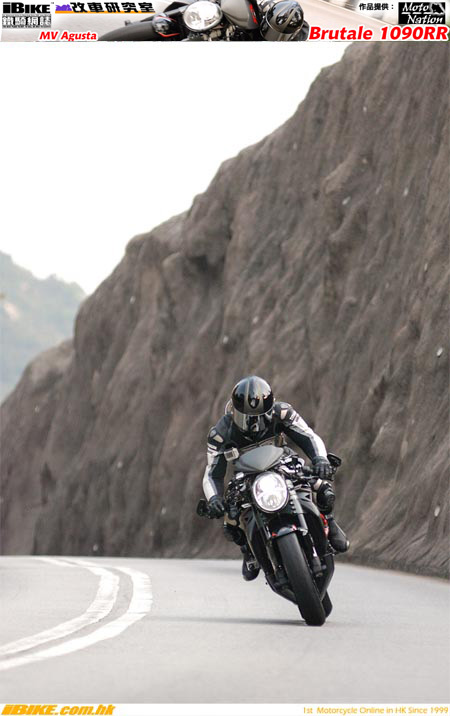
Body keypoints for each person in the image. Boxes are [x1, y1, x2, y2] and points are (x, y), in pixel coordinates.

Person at [202, 375, 349, 581]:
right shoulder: (219, 433)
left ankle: (329, 522)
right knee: (230, 522)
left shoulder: (283, 413)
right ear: (234, 412)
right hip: (246, 477)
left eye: (260, 417)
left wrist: (320, 459)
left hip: (284, 464)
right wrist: (214, 499)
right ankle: (248, 550)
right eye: (246, 418)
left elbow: (308, 436)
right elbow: (212, 473)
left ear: (270, 410)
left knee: (323, 489)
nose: (254, 425)